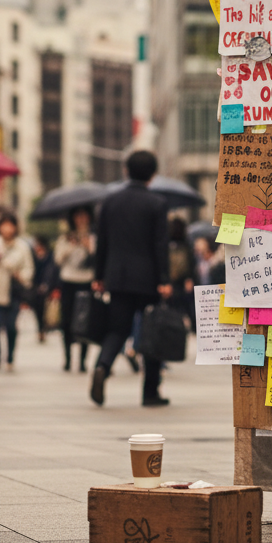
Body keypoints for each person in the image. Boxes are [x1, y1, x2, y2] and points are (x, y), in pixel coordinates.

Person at [90, 150, 171, 408]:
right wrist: (165, 279)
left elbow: (101, 243)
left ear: (126, 171)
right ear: (153, 174)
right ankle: (150, 392)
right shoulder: (157, 204)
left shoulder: (110, 202)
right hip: (148, 279)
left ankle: (102, 366)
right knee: (151, 333)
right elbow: (160, 245)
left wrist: (98, 275)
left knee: (117, 329)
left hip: (118, 277)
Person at [0, 212, 33, 371]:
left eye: (10, 224)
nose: (7, 228)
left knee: (11, 327)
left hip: (14, 292)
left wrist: (21, 276)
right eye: (4, 224)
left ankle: (10, 357)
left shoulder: (22, 247)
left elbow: (29, 269)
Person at [54, 207, 94, 373]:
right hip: (68, 281)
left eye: (84, 215)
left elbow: (99, 258)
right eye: (78, 216)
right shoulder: (65, 238)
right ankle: (68, 358)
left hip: (87, 282)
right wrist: (71, 246)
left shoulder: (93, 236)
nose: (81, 219)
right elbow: (57, 259)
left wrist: (88, 246)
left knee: (86, 322)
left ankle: (83, 360)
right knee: (67, 321)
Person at [29, 235, 57, 344]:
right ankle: (40, 330)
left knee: (47, 311)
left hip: (48, 287)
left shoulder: (50, 256)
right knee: (38, 311)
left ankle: (45, 328)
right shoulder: (32, 256)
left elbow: (53, 272)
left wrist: (49, 285)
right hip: (36, 288)